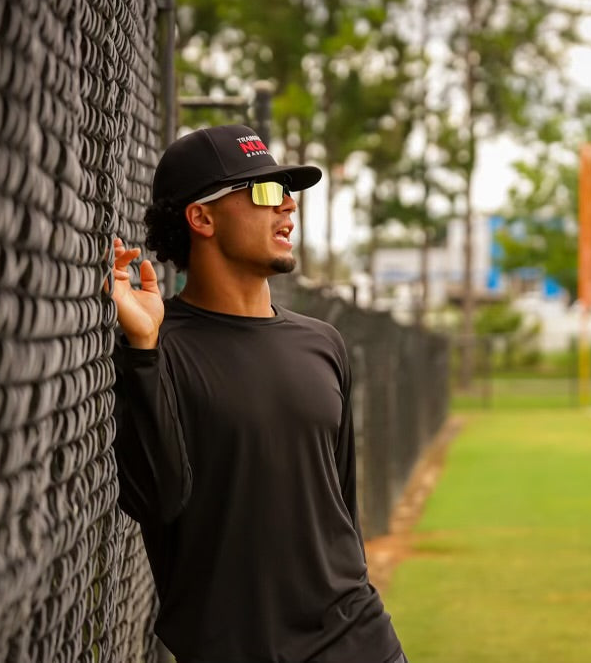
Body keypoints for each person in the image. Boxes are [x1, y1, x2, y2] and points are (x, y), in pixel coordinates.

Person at [107, 124, 406, 663]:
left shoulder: (323, 344)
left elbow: (340, 503)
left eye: (288, 192)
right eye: (266, 192)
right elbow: (156, 500)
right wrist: (144, 350)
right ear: (202, 217)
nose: (288, 206)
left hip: (359, 641)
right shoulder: (156, 346)